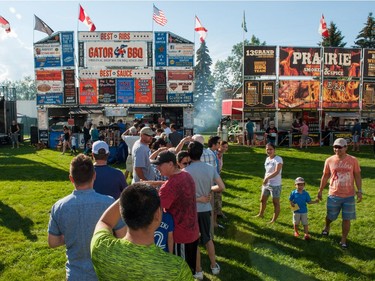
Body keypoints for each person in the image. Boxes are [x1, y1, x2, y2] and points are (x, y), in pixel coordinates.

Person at [91, 182, 194, 280]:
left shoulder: (101, 248)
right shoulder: (177, 269)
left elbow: (105, 222)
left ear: (122, 213)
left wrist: (130, 192)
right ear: (157, 214)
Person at [48, 154, 126, 280]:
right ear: (94, 176)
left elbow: (53, 242)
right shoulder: (109, 203)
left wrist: (72, 235)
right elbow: (123, 236)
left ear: (71, 179)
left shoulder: (59, 207)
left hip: (75, 274)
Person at [150, 151, 200, 277]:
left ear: (171, 164)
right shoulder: (186, 175)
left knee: (180, 272)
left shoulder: (169, 186)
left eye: (160, 165)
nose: (157, 168)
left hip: (179, 236)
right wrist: (156, 184)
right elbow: (176, 188)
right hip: (192, 231)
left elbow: (157, 209)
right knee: (189, 270)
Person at [184, 141, 225, 279]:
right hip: (205, 209)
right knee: (208, 238)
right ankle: (214, 266)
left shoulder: (185, 172)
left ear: (189, 154)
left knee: (194, 240)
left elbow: (183, 196)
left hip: (191, 210)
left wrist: (198, 198)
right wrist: (210, 190)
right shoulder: (209, 168)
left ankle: (198, 270)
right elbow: (221, 187)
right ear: (202, 153)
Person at [318, 138, 362, 249]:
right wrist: (320, 190)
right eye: (335, 147)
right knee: (330, 216)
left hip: (349, 195)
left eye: (339, 147)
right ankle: (327, 226)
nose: (337, 149)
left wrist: (359, 191)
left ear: (346, 147)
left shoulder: (353, 160)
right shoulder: (329, 160)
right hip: (333, 194)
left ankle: (343, 239)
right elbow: (325, 175)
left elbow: (357, 175)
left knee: (346, 218)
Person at [255, 142, 283, 223]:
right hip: (266, 184)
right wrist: (265, 180)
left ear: (274, 150)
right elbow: (267, 171)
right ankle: (261, 214)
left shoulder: (278, 159)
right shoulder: (267, 159)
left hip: (275, 185)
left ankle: (273, 220)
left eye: (271, 149)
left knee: (275, 202)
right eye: (267, 149)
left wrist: (267, 178)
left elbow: (277, 171)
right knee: (262, 200)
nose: (269, 151)